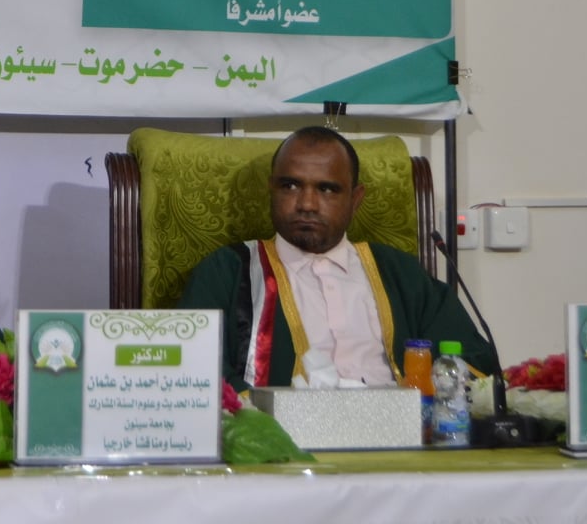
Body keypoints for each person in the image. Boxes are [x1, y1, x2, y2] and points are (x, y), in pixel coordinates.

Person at [179, 125, 495, 389]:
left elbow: (473, 362)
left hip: (401, 432)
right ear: (271, 190)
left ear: (355, 199)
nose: (307, 204)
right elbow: (194, 370)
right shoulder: (229, 271)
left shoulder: (399, 272)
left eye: (327, 189)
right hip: (284, 436)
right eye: (290, 186)